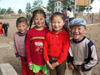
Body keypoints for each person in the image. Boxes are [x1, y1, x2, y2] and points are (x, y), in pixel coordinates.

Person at [26, 9, 49, 75]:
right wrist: (29, 60)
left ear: (45, 19)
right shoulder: (30, 32)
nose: (39, 21)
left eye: (41, 19)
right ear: (33, 19)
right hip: (34, 60)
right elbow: (27, 47)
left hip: (45, 60)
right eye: (36, 19)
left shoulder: (47, 32)